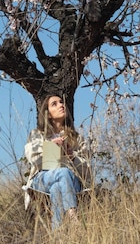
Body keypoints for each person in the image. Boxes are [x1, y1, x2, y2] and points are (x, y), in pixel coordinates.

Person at [23, 94, 91, 229]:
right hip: (42, 179)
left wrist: (72, 156)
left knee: (57, 187)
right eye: (54, 104)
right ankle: (72, 214)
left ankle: (57, 235)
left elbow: (87, 171)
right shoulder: (38, 134)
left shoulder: (76, 138)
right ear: (48, 114)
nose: (61, 105)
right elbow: (33, 159)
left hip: (71, 183)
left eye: (61, 102)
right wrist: (51, 146)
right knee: (62, 172)